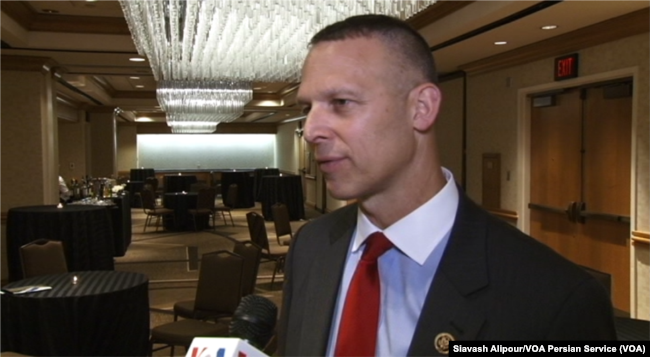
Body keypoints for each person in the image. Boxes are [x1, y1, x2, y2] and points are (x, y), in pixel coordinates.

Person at [277, 14, 616, 357]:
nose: (311, 130)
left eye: (341, 103)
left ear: (421, 108)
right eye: (308, 108)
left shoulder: (555, 298)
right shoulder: (312, 246)